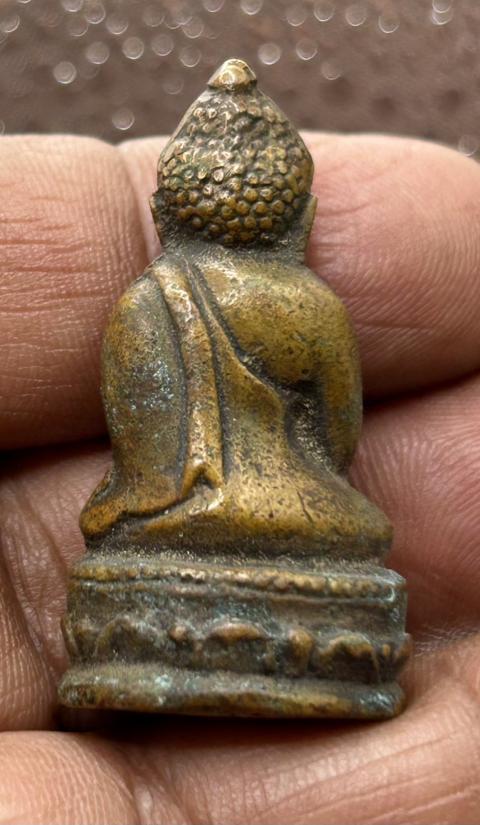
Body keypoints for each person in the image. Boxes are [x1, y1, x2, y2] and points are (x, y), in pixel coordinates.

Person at [0, 125, 478, 822]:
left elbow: (138, 451)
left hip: (162, 529)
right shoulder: (311, 305)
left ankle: (145, 641)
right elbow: (335, 440)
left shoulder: (143, 301)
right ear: (301, 219)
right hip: (298, 518)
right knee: (357, 527)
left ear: (163, 215)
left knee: (116, 535)